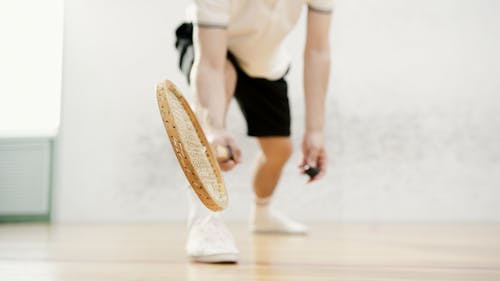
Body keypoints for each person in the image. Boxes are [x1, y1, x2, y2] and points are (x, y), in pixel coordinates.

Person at [174, 0, 332, 263]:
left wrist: (315, 132)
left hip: (262, 58)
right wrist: (214, 128)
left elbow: (318, 51)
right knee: (222, 80)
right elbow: (212, 65)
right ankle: (204, 223)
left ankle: (263, 213)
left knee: (279, 151)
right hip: (210, 51)